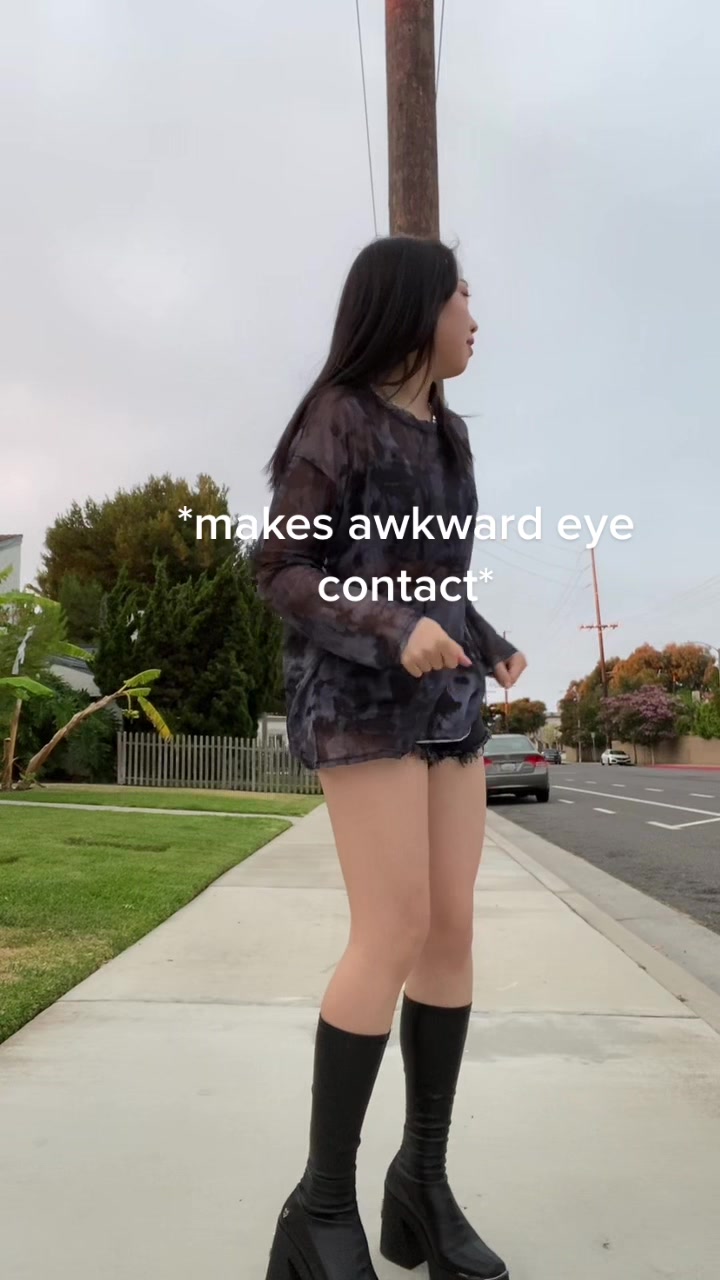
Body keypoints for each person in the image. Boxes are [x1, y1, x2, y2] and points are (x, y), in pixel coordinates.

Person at [254, 235, 527, 1280]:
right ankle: (321, 1209)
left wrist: (483, 637)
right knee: (395, 927)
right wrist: (389, 627)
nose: (474, 316)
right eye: (462, 296)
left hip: (447, 702)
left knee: (451, 930)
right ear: (416, 307)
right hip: (360, 699)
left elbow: (435, 578)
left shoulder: (451, 438)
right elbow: (282, 568)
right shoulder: (339, 416)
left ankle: (421, 1182)